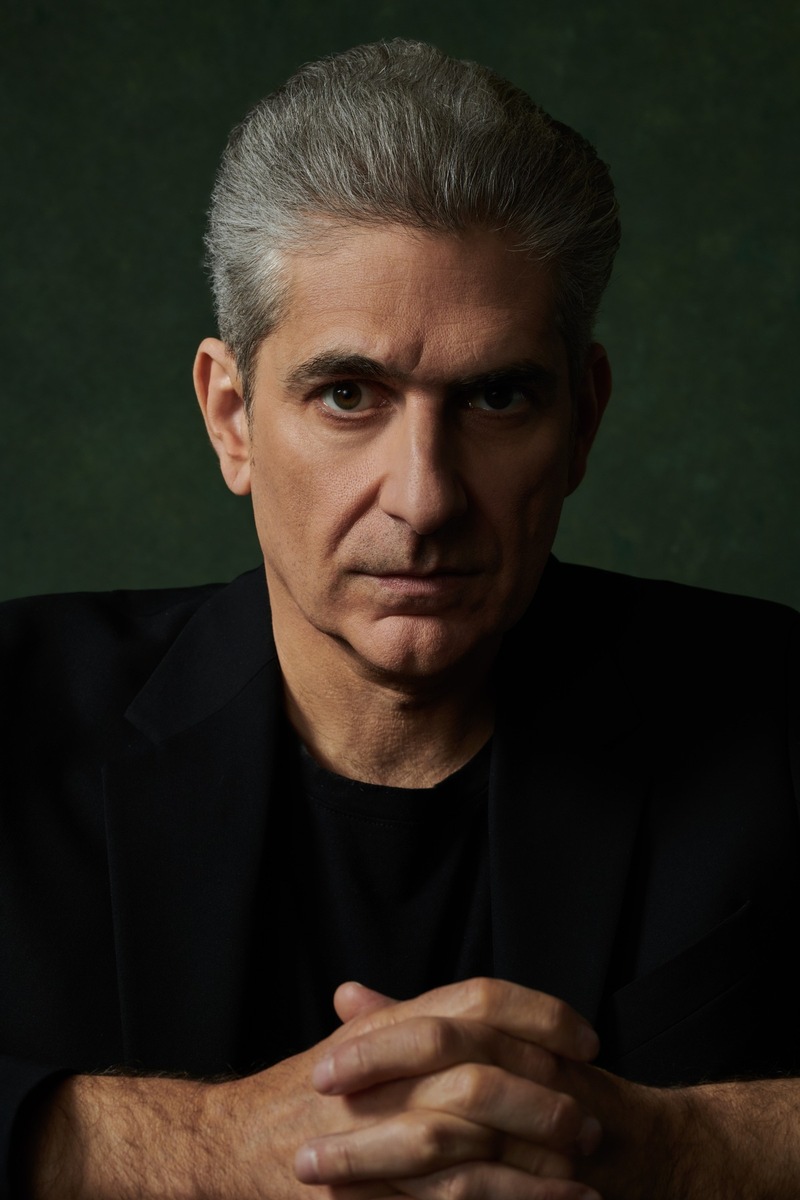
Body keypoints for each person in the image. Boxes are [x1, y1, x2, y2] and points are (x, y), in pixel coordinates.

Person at [1, 37, 799, 1200]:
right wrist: (200, 1149)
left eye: (495, 397)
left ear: (580, 423)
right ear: (230, 416)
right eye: (346, 395)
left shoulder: (776, 711)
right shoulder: (11, 714)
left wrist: (681, 1148)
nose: (422, 499)